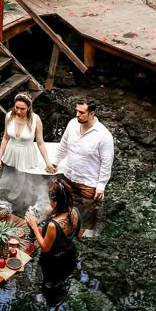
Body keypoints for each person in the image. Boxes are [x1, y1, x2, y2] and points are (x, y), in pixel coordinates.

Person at [52, 98, 114, 236]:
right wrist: (55, 162)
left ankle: (87, 233)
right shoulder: (72, 124)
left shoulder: (103, 136)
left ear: (92, 114)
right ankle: (67, 227)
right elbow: (63, 145)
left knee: (88, 209)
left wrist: (101, 185)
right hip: (69, 175)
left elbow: (106, 163)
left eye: (81, 112)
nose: (77, 115)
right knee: (67, 203)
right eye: (76, 111)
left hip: (88, 182)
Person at [26, 179, 83, 305]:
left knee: (49, 280)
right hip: (70, 255)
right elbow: (79, 235)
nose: (49, 202)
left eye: (51, 200)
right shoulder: (75, 212)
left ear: (56, 202)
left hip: (53, 260)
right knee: (62, 277)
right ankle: (58, 292)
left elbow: (45, 247)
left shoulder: (53, 225)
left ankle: (49, 294)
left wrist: (34, 226)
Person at [0, 93, 55, 209]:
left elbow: (40, 143)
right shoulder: (9, 116)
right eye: (16, 107)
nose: (18, 111)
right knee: (8, 174)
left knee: (21, 178)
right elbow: (5, 138)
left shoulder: (35, 120)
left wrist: (47, 162)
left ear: (29, 107)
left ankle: (20, 203)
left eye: (22, 109)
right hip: (11, 152)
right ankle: (6, 199)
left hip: (26, 154)